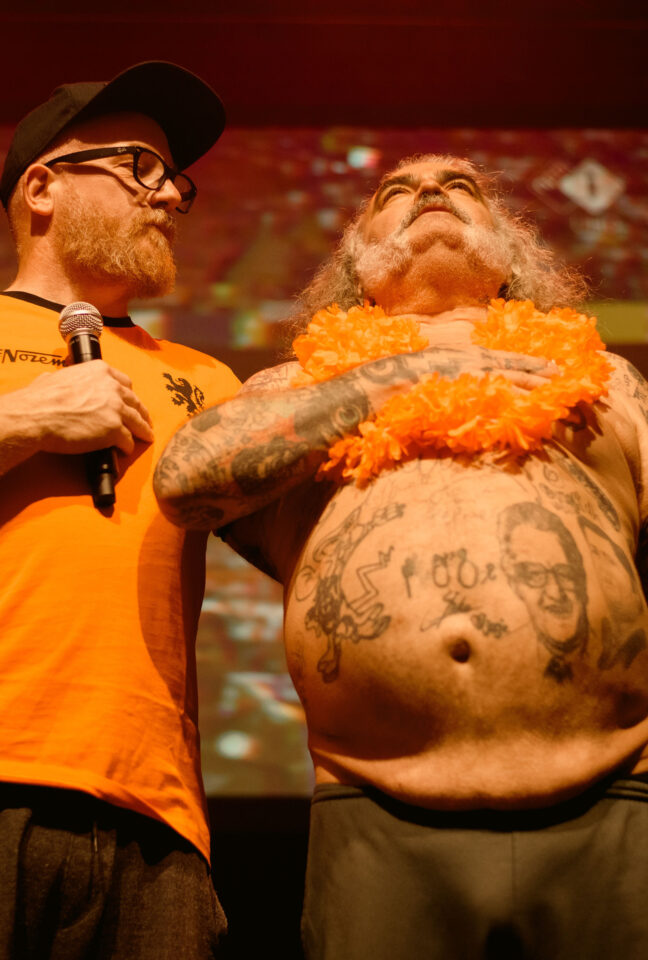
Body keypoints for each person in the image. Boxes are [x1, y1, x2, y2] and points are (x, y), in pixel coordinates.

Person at [154, 155, 648, 959]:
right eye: (396, 191)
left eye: (463, 187)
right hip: (376, 815)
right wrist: (405, 376)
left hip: (615, 797)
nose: (430, 193)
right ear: (356, 263)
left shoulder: (606, 379)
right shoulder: (294, 384)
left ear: (511, 254)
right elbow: (186, 481)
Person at [0, 61, 240, 959]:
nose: (169, 196)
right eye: (140, 167)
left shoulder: (209, 380)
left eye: (176, 181)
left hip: (157, 819)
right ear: (43, 187)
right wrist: (30, 418)